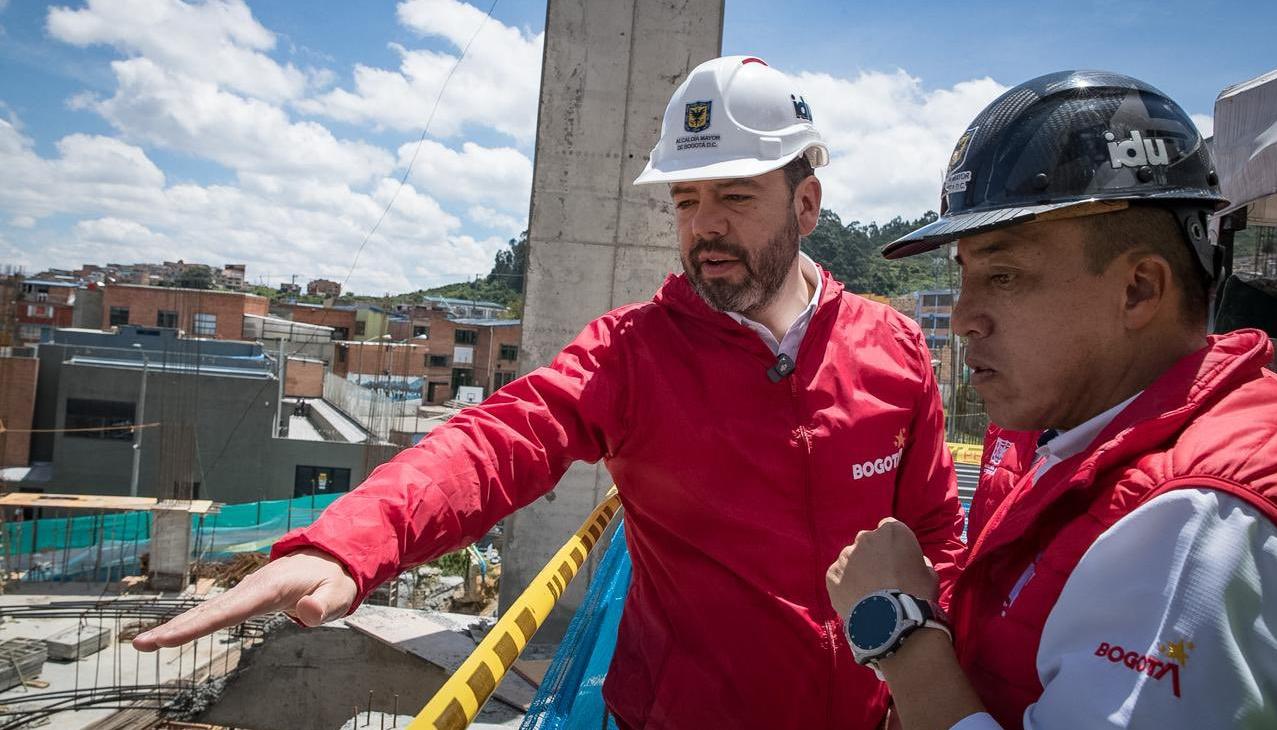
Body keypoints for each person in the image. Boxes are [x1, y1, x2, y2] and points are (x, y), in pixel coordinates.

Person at [135, 56, 966, 729]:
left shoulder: (889, 348)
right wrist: (350, 542)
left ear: (806, 204)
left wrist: (928, 689)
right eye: (686, 200)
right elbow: (495, 441)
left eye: (735, 197)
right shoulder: (633, 355)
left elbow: (936, 534)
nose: (704, 226)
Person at [825, 70, 1277, 730]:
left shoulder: (1190, 526)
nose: (963, 316)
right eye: (963, 275)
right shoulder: (1067, 428)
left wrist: (897, 630)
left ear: (1137, 291)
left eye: (1002, 275)